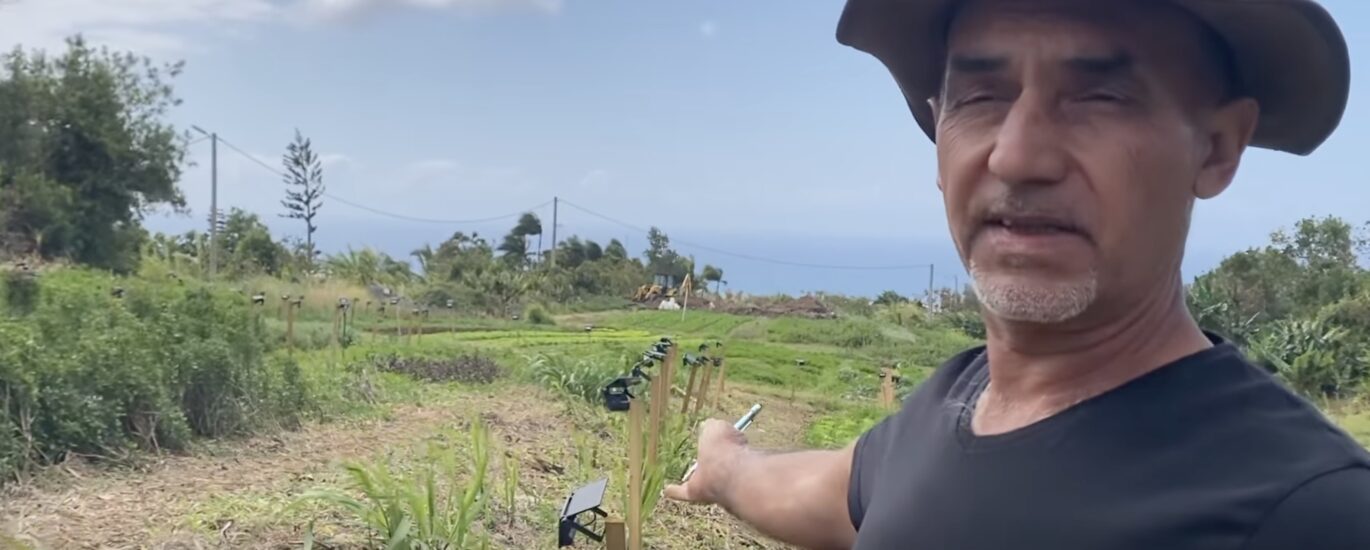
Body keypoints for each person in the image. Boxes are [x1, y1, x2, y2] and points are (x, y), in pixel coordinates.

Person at [663, 0, 1370, 548]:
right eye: (982, 98)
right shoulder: (950, 406)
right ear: (939, 141)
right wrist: (724, 463)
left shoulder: (1309, 513)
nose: (1017, 155)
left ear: (1216, 149)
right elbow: (824, 489)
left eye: (1101, 97)